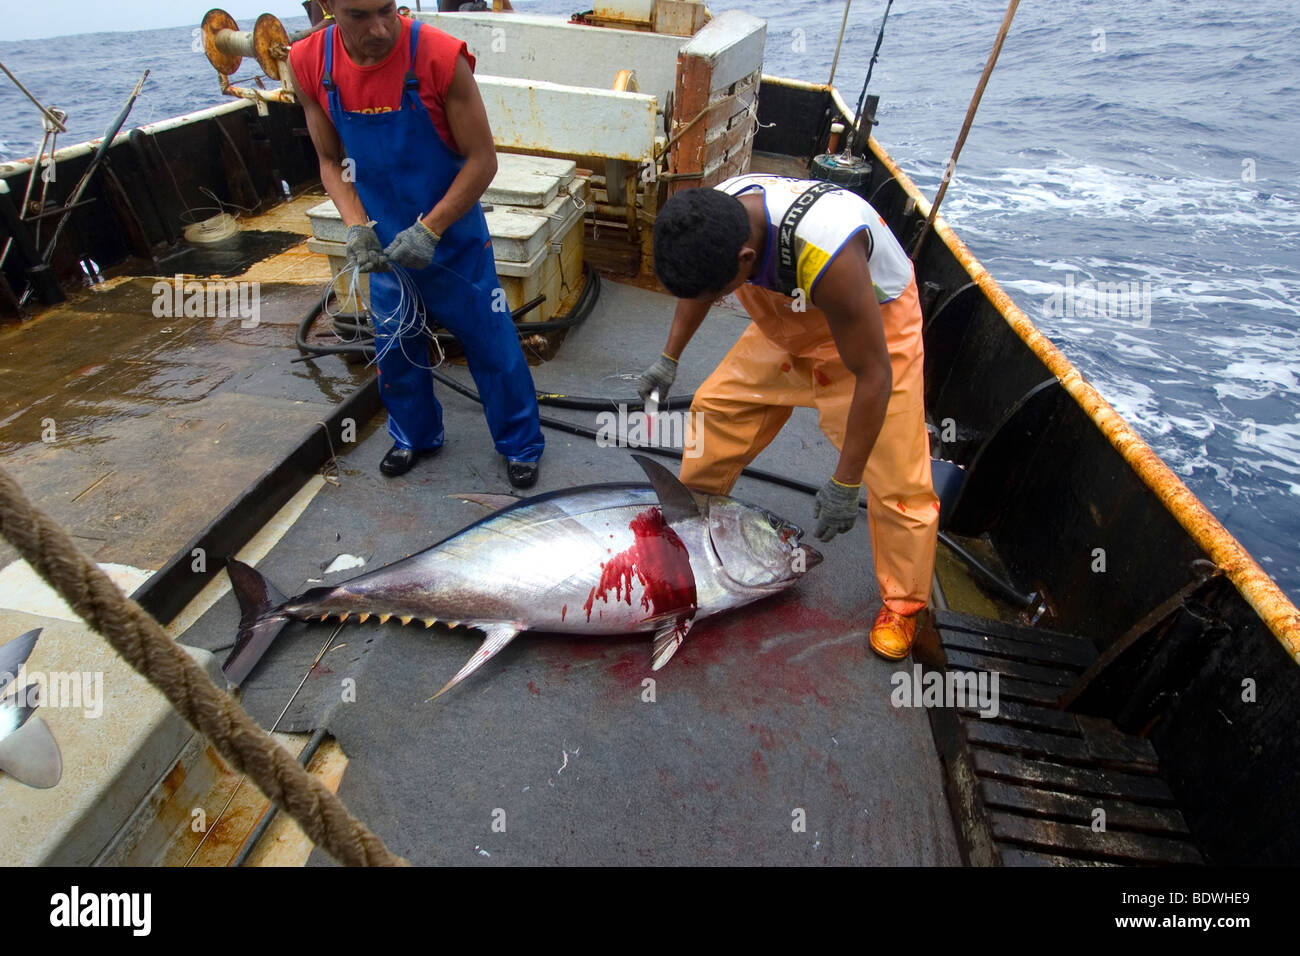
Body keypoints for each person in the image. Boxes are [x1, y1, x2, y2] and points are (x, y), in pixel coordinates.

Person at [639, 175, 939, 659]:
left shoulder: (832, 253)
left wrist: (846, 482)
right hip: (789, 321)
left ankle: (904, 604)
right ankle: (695, 519)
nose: (713, 298)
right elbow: (698, 287)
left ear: (745, 261)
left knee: (900, 478)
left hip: (870, 333)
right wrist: (668, 358)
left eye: (721, 292)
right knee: (720, 407)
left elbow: (874, 375)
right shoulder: (719, 215)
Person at [289, 0, 543, 488]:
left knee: (492, 344)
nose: (380, 28)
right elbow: (328, 160)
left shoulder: (439, 57)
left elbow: (482, 160)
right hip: (382, 243)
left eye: (387, 9)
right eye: (359, 16)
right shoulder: (309, 63)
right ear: (328, 7)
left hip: (454, 240)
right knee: (396, 347)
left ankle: (520, 444)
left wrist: (431, 229)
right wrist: (356, 225)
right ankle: (414, 436)